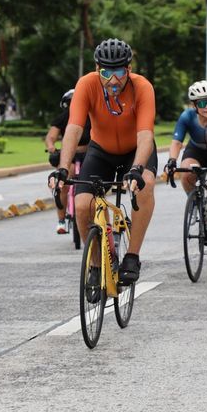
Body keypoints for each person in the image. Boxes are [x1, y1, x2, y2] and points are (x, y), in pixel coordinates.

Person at [48, 38, 157, 286]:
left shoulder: (142, 87)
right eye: (106, 73)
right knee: (83, 204)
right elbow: (73, 129)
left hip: (135, 150)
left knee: (146, 185)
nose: (113, 80)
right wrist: (63, 168)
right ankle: (96, 265)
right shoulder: (86, 84)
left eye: (119, 72)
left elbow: (145, 135)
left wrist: (137, 169)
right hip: (101, 151)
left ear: (128, 69)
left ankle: (132, 256)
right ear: (98, 69)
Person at [165, 80, 207, 262]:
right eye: (202, 103)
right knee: (186, 172)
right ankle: (196, 202)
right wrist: (172, 160)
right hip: (196, 151)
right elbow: (177, 142)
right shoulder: (187, 117)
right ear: (195, 105)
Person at [44, 89, 91, 234]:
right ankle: (61, 220)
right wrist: (51, 147)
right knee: (62, 183)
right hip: (69, 156)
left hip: (89, 155)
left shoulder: (92, 116)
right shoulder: (63, 117)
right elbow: (51, 136)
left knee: (93, 182)